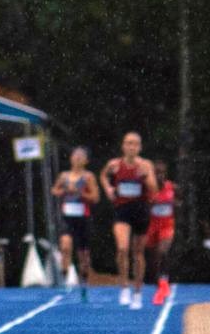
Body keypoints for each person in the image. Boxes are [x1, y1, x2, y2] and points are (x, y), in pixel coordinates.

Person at [101, 132, 159, 309]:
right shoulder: (114, 164)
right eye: (128, 143)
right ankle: (124, 287)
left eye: (135, 144)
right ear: (123, 146)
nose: (131, 146)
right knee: (122, 248)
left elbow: (154, 190)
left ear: (139, 147)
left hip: (140, 210)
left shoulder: (146, 165)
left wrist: (145, 176)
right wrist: (109, 189)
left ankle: (138, 291)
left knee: (138, 253)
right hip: (122, 211)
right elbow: (103, 176)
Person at [51, 147, 99, 287]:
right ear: (71, 158)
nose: (77, 158)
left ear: (86, 161)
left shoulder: (88, 177)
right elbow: (54, 190)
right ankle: (64, 279)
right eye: (75, 155)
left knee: (83, 253)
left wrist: (79, 192)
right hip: (67, 216)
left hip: (83, 217)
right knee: (65, 246)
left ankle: (84, 279)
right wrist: (65, 191)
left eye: (81, 156)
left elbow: (95, 197)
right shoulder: (64, 176)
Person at [144, 159, 176, 303]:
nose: (159, 176)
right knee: (153, 256)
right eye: (156, 173)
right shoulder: (148, 190)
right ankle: (157, 281)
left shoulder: (172, 187)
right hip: (151, 226)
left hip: (167, 225)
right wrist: (150, 203)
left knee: (163, 251)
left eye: (162, 173)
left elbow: (180, 202)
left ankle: (164, 281)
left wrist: (175, 204)